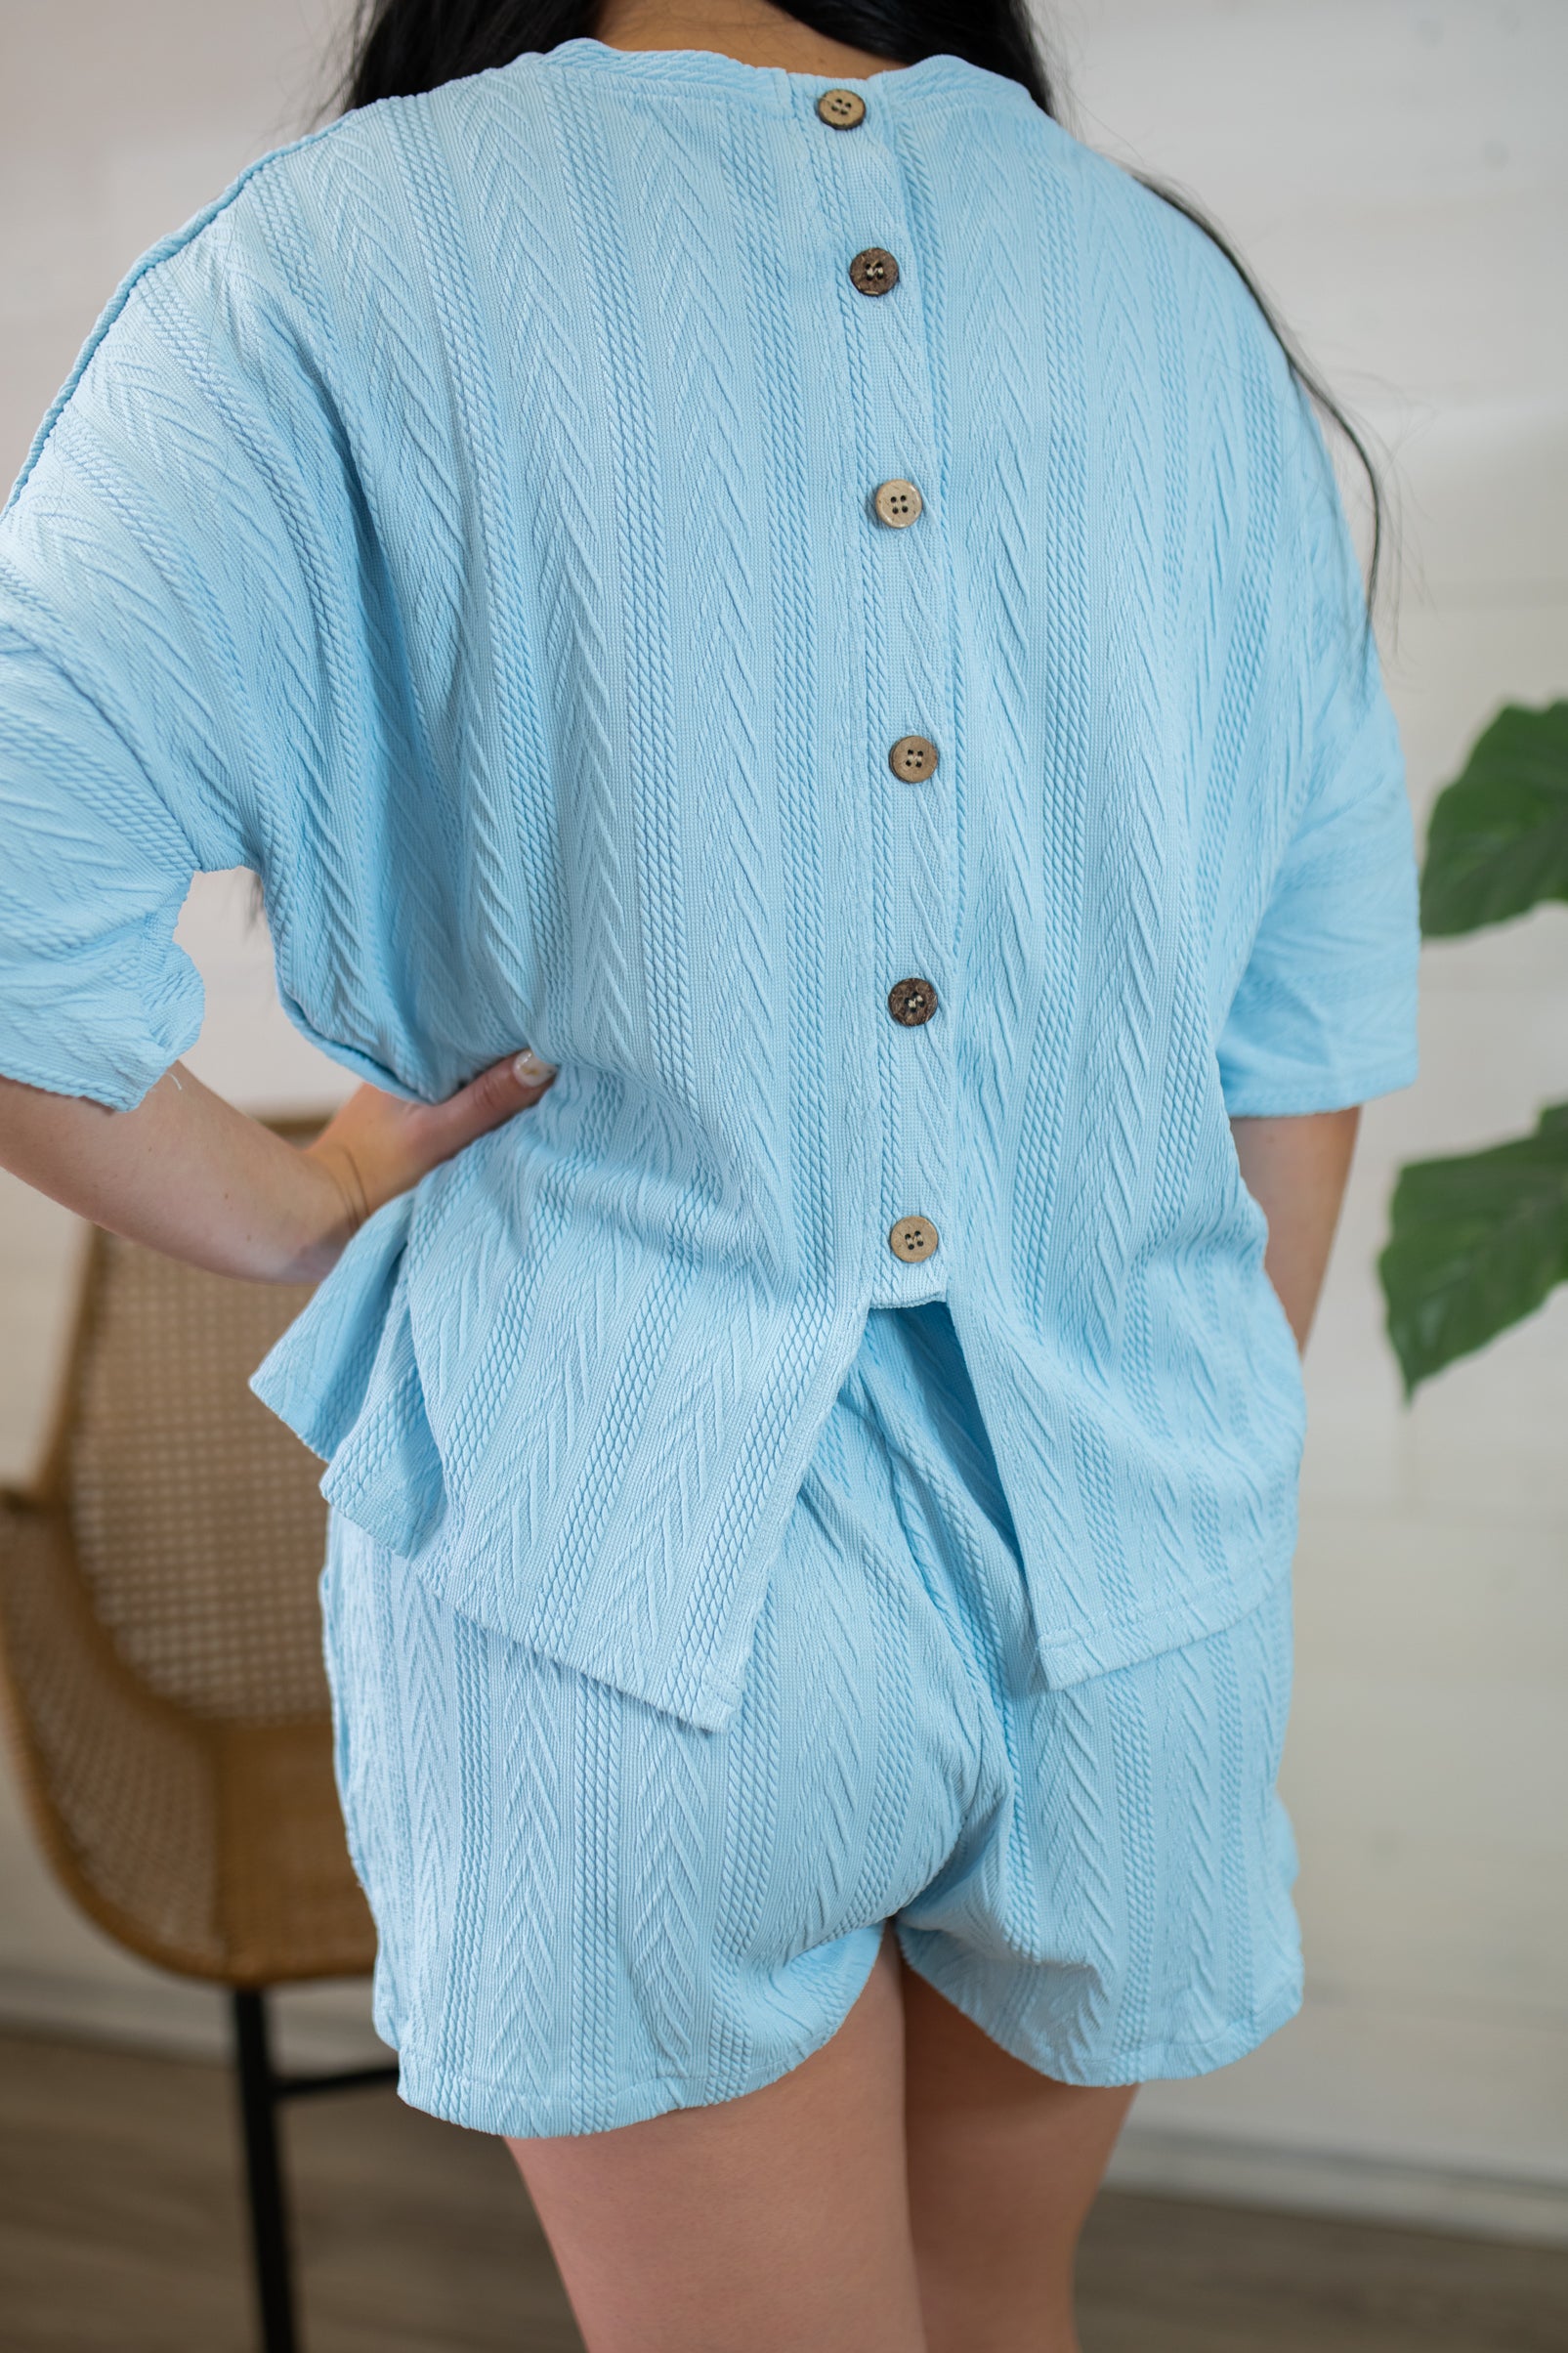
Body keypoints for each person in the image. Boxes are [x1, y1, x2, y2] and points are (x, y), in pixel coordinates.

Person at [0, 0, 1419, 2344]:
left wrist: (277, 1206)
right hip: (1125, 1566)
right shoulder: (1164, 290)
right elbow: (1306, 1021)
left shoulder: (336, 263)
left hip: (622, 1579)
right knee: (998, 2310)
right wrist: (1168, 1470)